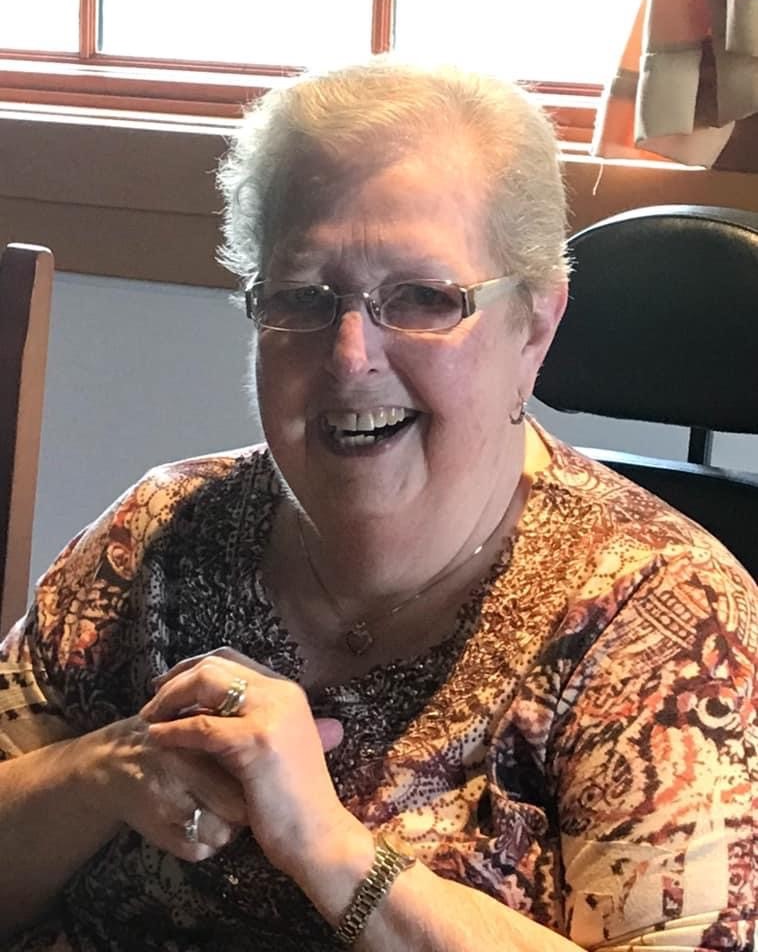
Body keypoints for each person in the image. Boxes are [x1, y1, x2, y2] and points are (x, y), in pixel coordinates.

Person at [0, 58, 755, 952]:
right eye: (302, 298)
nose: (351, 355)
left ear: (535, 327)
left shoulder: (665, 625)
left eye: (425, 298)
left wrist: (332, 853)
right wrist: (102, 770)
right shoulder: (159, 533)